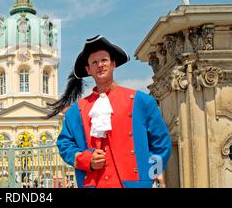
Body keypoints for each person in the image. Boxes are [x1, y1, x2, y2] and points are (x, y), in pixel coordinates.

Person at [48, 35, 171, 188]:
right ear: (88, 70)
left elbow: (162, 144)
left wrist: (149, 175)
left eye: (104, 60)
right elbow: (64, 143)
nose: (100, 65)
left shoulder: (141, 102)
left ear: (113, 64)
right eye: (94, 62)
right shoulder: (75, 111)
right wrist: (86, 159)